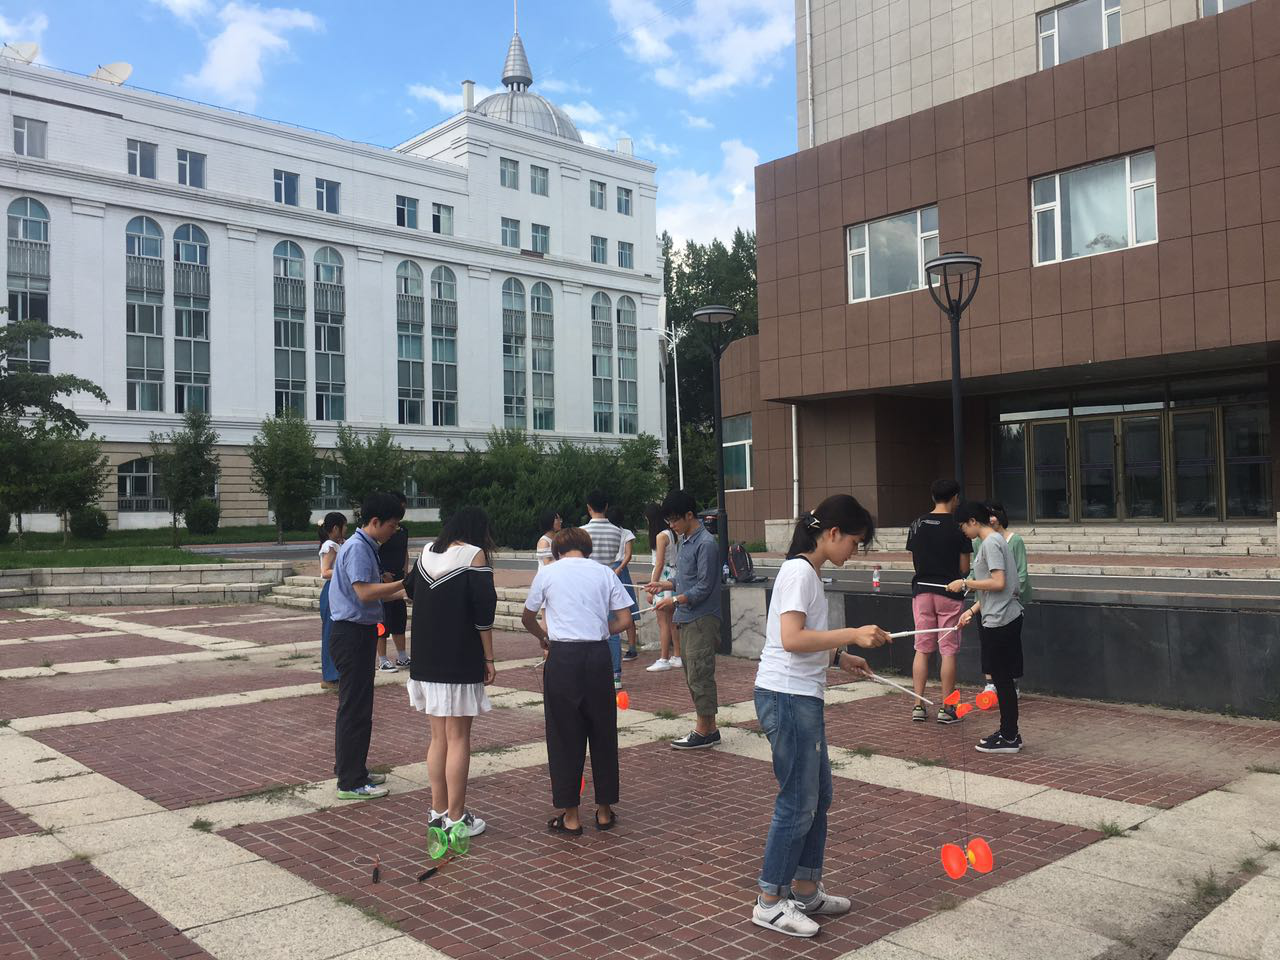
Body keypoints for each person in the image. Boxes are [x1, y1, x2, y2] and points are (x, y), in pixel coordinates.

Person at [752, 495, 891, 938]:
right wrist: (852, 634)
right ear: (832, 533)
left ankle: (806, 888)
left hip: (798, 695)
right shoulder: (798, 571)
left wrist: (838, 656)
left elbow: (800, 638)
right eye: (854, 541)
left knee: (818, 796)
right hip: (787, 697)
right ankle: (770, 901)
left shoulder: (806, 572)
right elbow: (790, 639)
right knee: (798, 800)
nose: (855, 551)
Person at [520, 526, 634, 836]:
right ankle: (605, 811)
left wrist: (544, 637)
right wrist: (600, 631)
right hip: (597, 656)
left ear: (557, 550)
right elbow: (625, 620)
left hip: (563, 657)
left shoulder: (548, 573)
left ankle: (571, 816)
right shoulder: (604, 573)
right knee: (603, 731)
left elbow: (527, 617)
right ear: (587, 549)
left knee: (563, 735)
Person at [404, 506, 499, 836]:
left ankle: (437, 812)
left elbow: (411, 590)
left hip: (425, 658)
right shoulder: (474, 557)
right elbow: (484, 613)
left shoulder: (426, 552)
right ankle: (457, 820)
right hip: (459, 657)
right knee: (459, 737)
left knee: (438, 737)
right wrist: (489, 658)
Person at [329, 492, 408, 800]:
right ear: (375, 522)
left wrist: (403, 593)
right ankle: (350, 782)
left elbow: (375, 592)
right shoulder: (359, 548)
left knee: (357, 708)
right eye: (392, 525)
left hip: (355, 633)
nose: (394, 531)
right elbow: (364, 592)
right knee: (355, 709)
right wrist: (405, 584)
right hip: (352, 635)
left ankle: (353, 769)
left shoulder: (364, 546)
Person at [645, 490, 722, 750]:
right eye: (669, 522)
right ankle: (708, 727)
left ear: (690, 515)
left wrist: (675, 600)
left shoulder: (706, 543)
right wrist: (664, 585)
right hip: (688, 616)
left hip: (702, 617)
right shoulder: (686, 541)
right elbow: (685, 579)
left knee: (700, 673)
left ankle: (704, 729)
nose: (672, 526)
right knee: (692, 673)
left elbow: (704, 586)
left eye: (675, 520)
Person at [949, 500, 1025, 754]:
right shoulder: (994, 541)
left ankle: (1009, 735)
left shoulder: (990, 543)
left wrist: (965, 583)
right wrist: (970, 611)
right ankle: (1008, 732)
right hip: (999, 616)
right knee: (1002, 679)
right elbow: (995, 589)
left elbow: (998, 582)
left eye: (963, 526)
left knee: (1002, 679)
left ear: (972, 521)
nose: (963, 532)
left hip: (1001, 620)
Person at [906, 479, 972, 724]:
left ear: (933, 497)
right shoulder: (958, 526)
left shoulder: (917, 523)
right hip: (949, 591)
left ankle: (918, 705)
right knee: (948, 651)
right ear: (955, 497)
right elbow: (964, 568)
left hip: (922, 590)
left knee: (922, 648)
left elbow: (916, 560)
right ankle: (948, 708)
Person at [977, 501, 1030, 696]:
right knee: (987, 644)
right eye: (988, 515)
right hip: (984, 603)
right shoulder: (980, 541)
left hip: (1008, 605)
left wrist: (1013, 595)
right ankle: (990, 682)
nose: (991, 519)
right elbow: (977, 573)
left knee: (1011, 646)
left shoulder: (1013, 541)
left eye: (994, 514)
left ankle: (1012, 683)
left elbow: (1020, 574)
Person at [583, 489, 625, 688]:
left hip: (588, 583)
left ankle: (592, 673)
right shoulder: (617, 531)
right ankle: (616, 674)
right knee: (613, 630)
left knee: (589, 628)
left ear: (588, 508)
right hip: (609, 579)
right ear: (606, 506)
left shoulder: (582, 532)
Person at [643, 503, 683, 673]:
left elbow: (659, 564)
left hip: (663, 577)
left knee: (663, 622)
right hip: (674, 575)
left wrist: (652, 586)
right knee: (672, 621)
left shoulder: (660, 536)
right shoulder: (673, 533)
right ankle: (677, 656)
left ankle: (664, 658)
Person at [377, 491, 411, 673]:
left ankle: (402, 656)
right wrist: (382, 573)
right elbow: (373, 553)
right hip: (383, 581)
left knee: (399, 618)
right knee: (382, 619)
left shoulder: (403, 530)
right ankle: (382, 659)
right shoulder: (381, 530)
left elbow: (404, 552)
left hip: (399, 579)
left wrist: (406, 572)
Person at [607, 506, 642, 661]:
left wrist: (618, 569)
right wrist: (620, 569)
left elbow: (627, 555)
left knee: (625, 609)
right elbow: (628, 555)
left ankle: (632, 648)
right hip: (618, 570)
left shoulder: (624, 533)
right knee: (625, 609)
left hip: (614, 569)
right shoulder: (625, 532)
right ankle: (631, 648)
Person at [317, 512, 347, 691]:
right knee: (330, 634)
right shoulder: (330, 545)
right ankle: (330, 676)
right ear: (335, 528)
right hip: (331, 591)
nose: (346, 529)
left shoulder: (338, 544)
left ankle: (335, 674)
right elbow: (325, 572)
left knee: (335, 633)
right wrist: (347, 573)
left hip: (337, 590)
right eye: (344, 526)